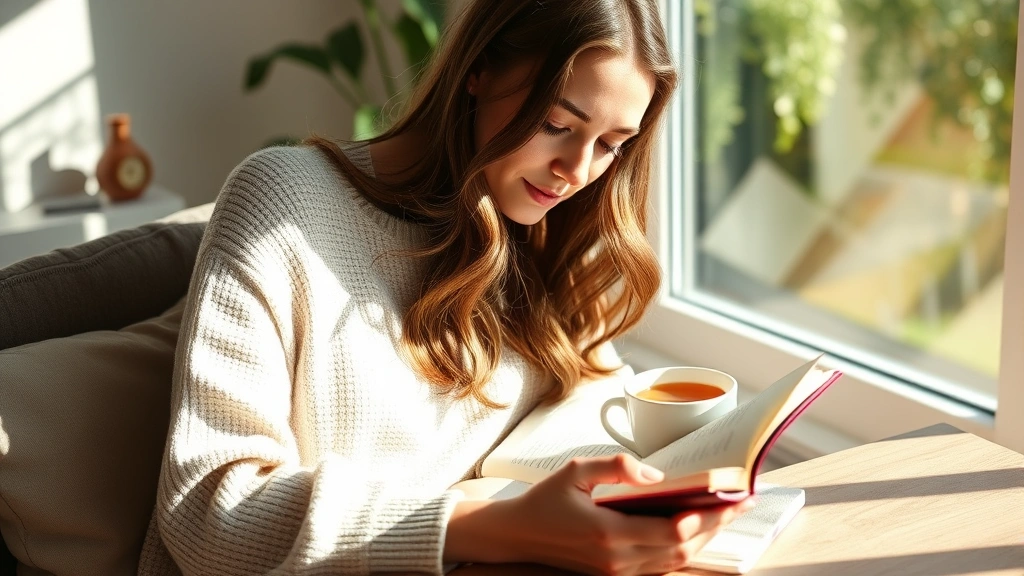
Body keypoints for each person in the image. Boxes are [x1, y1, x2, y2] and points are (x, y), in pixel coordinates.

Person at [137, 0, 754, 574]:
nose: (578, 172)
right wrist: (500, 526)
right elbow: (207, 514)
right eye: (555, 123)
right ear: (478, 71)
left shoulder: (540, 225)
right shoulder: (286, 203)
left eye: (611, 146)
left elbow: (595, 385)